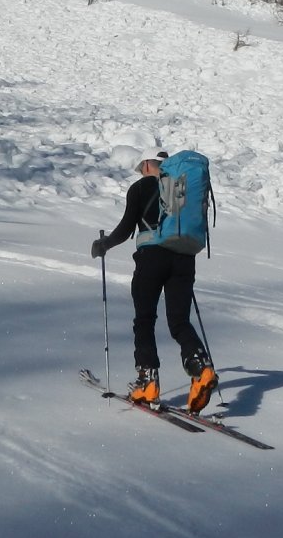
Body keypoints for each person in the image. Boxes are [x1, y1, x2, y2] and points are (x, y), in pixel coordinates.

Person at [90, 153, 217, 411]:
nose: (140, 172)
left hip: (152, 258)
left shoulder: (141, 187)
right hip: (184, 258)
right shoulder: (179, 187)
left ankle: (147, 382)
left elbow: (126, 227)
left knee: (145, 319)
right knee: (179, 322)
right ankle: (201, 369)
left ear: (147, 164)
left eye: (140, 167)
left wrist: (104, 244)